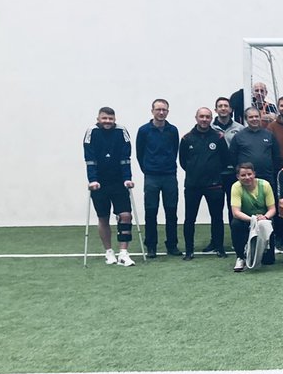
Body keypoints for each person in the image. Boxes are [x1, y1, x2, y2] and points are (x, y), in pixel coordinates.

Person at [84, 106, 135, 266]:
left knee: (126, 216)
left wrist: (127, 178)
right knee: (103, 218)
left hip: (119, 182)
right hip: (99, 183)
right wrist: (93, 179)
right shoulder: (91, 132)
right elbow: (89, 158)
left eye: (110, 119)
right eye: (104, 118)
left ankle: (124, 253)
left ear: (115, 119)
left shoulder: (122, 131)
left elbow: (126, 157)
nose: (107, 121)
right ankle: (109, 252)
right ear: (98, 119)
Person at [179, 106, 232, 260]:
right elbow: (183, 161)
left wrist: (214, 172)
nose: (204, 119)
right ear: (196, 118)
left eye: (207, 117)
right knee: (190, 218)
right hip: (192, 186)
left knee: (217, 217)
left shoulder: (219, 137)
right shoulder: (186, 138)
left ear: (211, 118)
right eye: (201, 116)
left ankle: (219, 247)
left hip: (214, 185)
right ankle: (189, 251)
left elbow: (225, 159)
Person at [136, 98, 180, 257]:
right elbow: (139, 154)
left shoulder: (173, 130)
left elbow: (175, 150)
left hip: (169, 176)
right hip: (151, 177)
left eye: (164, 110)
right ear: (152, 111)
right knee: (151, 212)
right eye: (158, 109)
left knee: (171, 212)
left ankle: (172, 245)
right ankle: (151, 246)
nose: (161, 112)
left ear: (168, 111)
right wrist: (148, 169)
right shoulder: (143, 131)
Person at [228, 162, 276, 272]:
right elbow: (236, 212)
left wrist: (264, 217)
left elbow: (272, 209)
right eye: (243, 175)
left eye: (249, 174)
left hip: (264, 221)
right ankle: (240, 257)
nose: (247, 177)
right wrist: (253, 219)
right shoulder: (236, 187)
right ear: (238, 177)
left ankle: (260, 250)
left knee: (268, 261)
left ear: (254, 174)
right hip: (246, 220)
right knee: (235, 223)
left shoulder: (265, 185)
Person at [229, 108, 282, 202]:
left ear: (260, 117)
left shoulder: (269, 135)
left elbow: (276, 156)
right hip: (246, 179)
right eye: (251, 117)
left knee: (269, 204)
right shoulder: (239, 136)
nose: (254, 119)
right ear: (246, 119)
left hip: (267, 177)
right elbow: (232, 157)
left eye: (256, 116)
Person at [213, 96, 244, 227]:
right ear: (216, 109)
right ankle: (216, 242)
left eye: (226, 106)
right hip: (216, 175)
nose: (223, 108)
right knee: (216, 210)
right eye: (220, 106)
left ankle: (236, 238)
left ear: (231, 109)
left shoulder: (240, 128)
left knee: (234, 208)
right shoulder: (209, 128)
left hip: (234, 174)